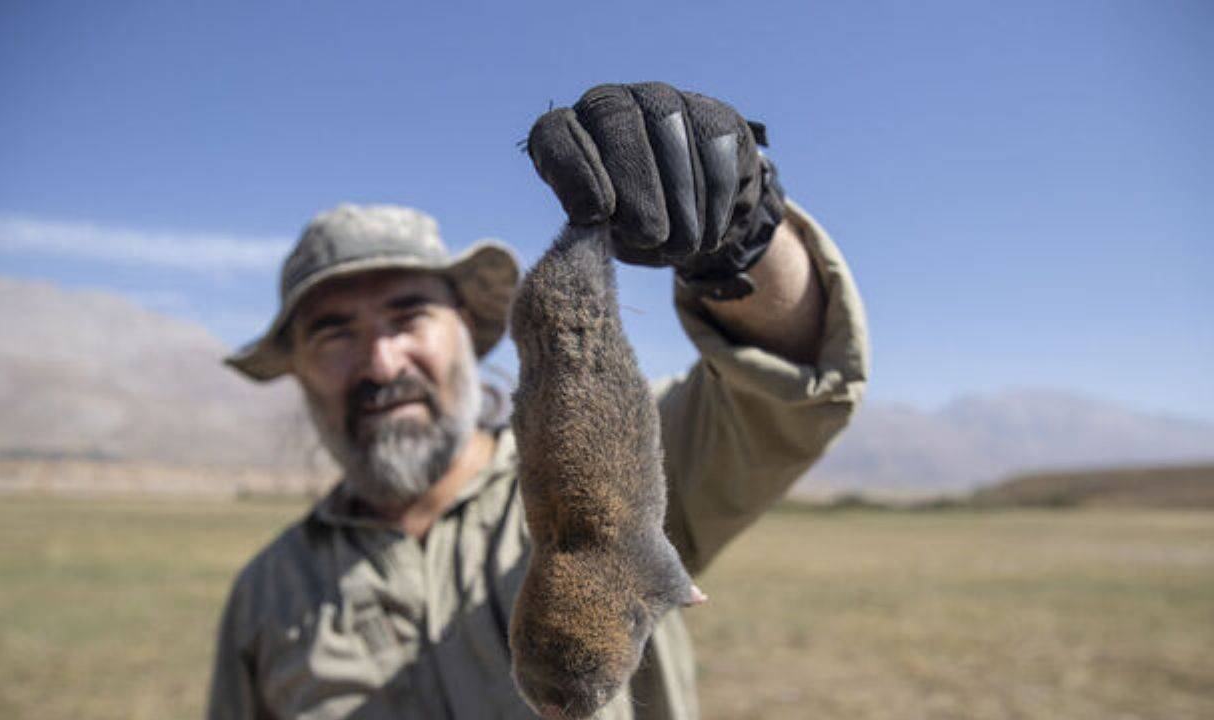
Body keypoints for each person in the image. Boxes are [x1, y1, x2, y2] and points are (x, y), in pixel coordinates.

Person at [208, 82, 869, 720]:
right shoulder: (264, 597)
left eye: (407, 318)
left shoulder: (655, 465)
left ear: (468, 329)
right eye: (334, 335)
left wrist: (743, 231)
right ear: (295, 367)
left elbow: (788, 383)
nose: (381, 363)